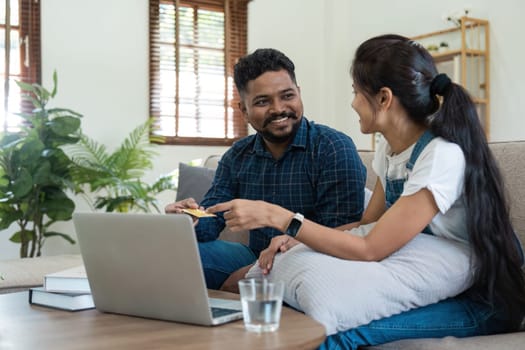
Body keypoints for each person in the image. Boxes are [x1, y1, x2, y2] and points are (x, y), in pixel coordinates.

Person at [207, 34, 525, 349]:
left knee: (337, 337)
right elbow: (364, 226)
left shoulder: (441, 156)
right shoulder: (390, 149)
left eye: (356, 92)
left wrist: (282, 218)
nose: (353, 103)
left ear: (383, 98)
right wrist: (295, 237)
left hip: (483, 297)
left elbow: (371, 248)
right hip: (434, 278)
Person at [165, 48, 367, 291]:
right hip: (255, 256)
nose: (278, 109)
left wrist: (251, 274)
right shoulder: (237, 155)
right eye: (262, 102)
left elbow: (343, 234)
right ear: (244, 111)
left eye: (287, 96)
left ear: (299, 94)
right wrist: (189, 219)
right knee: (169, 255)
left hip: (311, 258)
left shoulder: (333, 148)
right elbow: (212, 219)